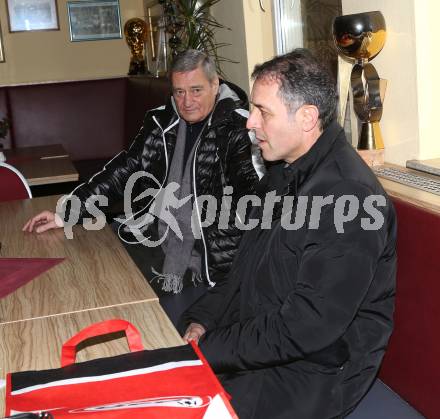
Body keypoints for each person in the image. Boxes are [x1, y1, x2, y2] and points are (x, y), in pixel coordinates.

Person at [180, 49, 397, 418]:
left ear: (307, 118)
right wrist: (201, 322)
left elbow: (308, 327)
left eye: (263, 111)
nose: (250, 122)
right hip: (264, 346)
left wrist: (208, 351)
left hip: (317, 373)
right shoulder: (283, 175)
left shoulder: (350, 199)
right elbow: (242, 274)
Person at [23, 49, 263, 323]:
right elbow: (125, 169)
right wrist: (67, 212)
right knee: (88, 284)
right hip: (156, 237)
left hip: (211, 264)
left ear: (215, 84)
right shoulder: (162, 121)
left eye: (196, 90)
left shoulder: (238, 129)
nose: (187, 102)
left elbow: (256, 201)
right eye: (179, 92)